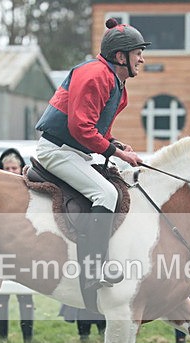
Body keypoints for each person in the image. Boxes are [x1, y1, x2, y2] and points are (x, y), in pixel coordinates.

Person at [35, 18, 150, 291]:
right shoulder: (96, 75)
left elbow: (97, 130)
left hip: (75, 151)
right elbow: (80, 127)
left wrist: (117, 145)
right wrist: (118, 155)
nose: (142, 60)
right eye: (138, 53)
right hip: (58, 151)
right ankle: (92, 268)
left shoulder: (116, 84)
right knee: (106, 194)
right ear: (121, 56)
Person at [0, 148, 35, 343]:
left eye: (14, 168)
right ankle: (2, 338)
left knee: (25, 296)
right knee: (0, 295)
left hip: (23, 248)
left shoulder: (30, 189)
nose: (10, 171)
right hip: (1, 249)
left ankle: (28, 339)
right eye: (7, 168)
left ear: (21, 169)